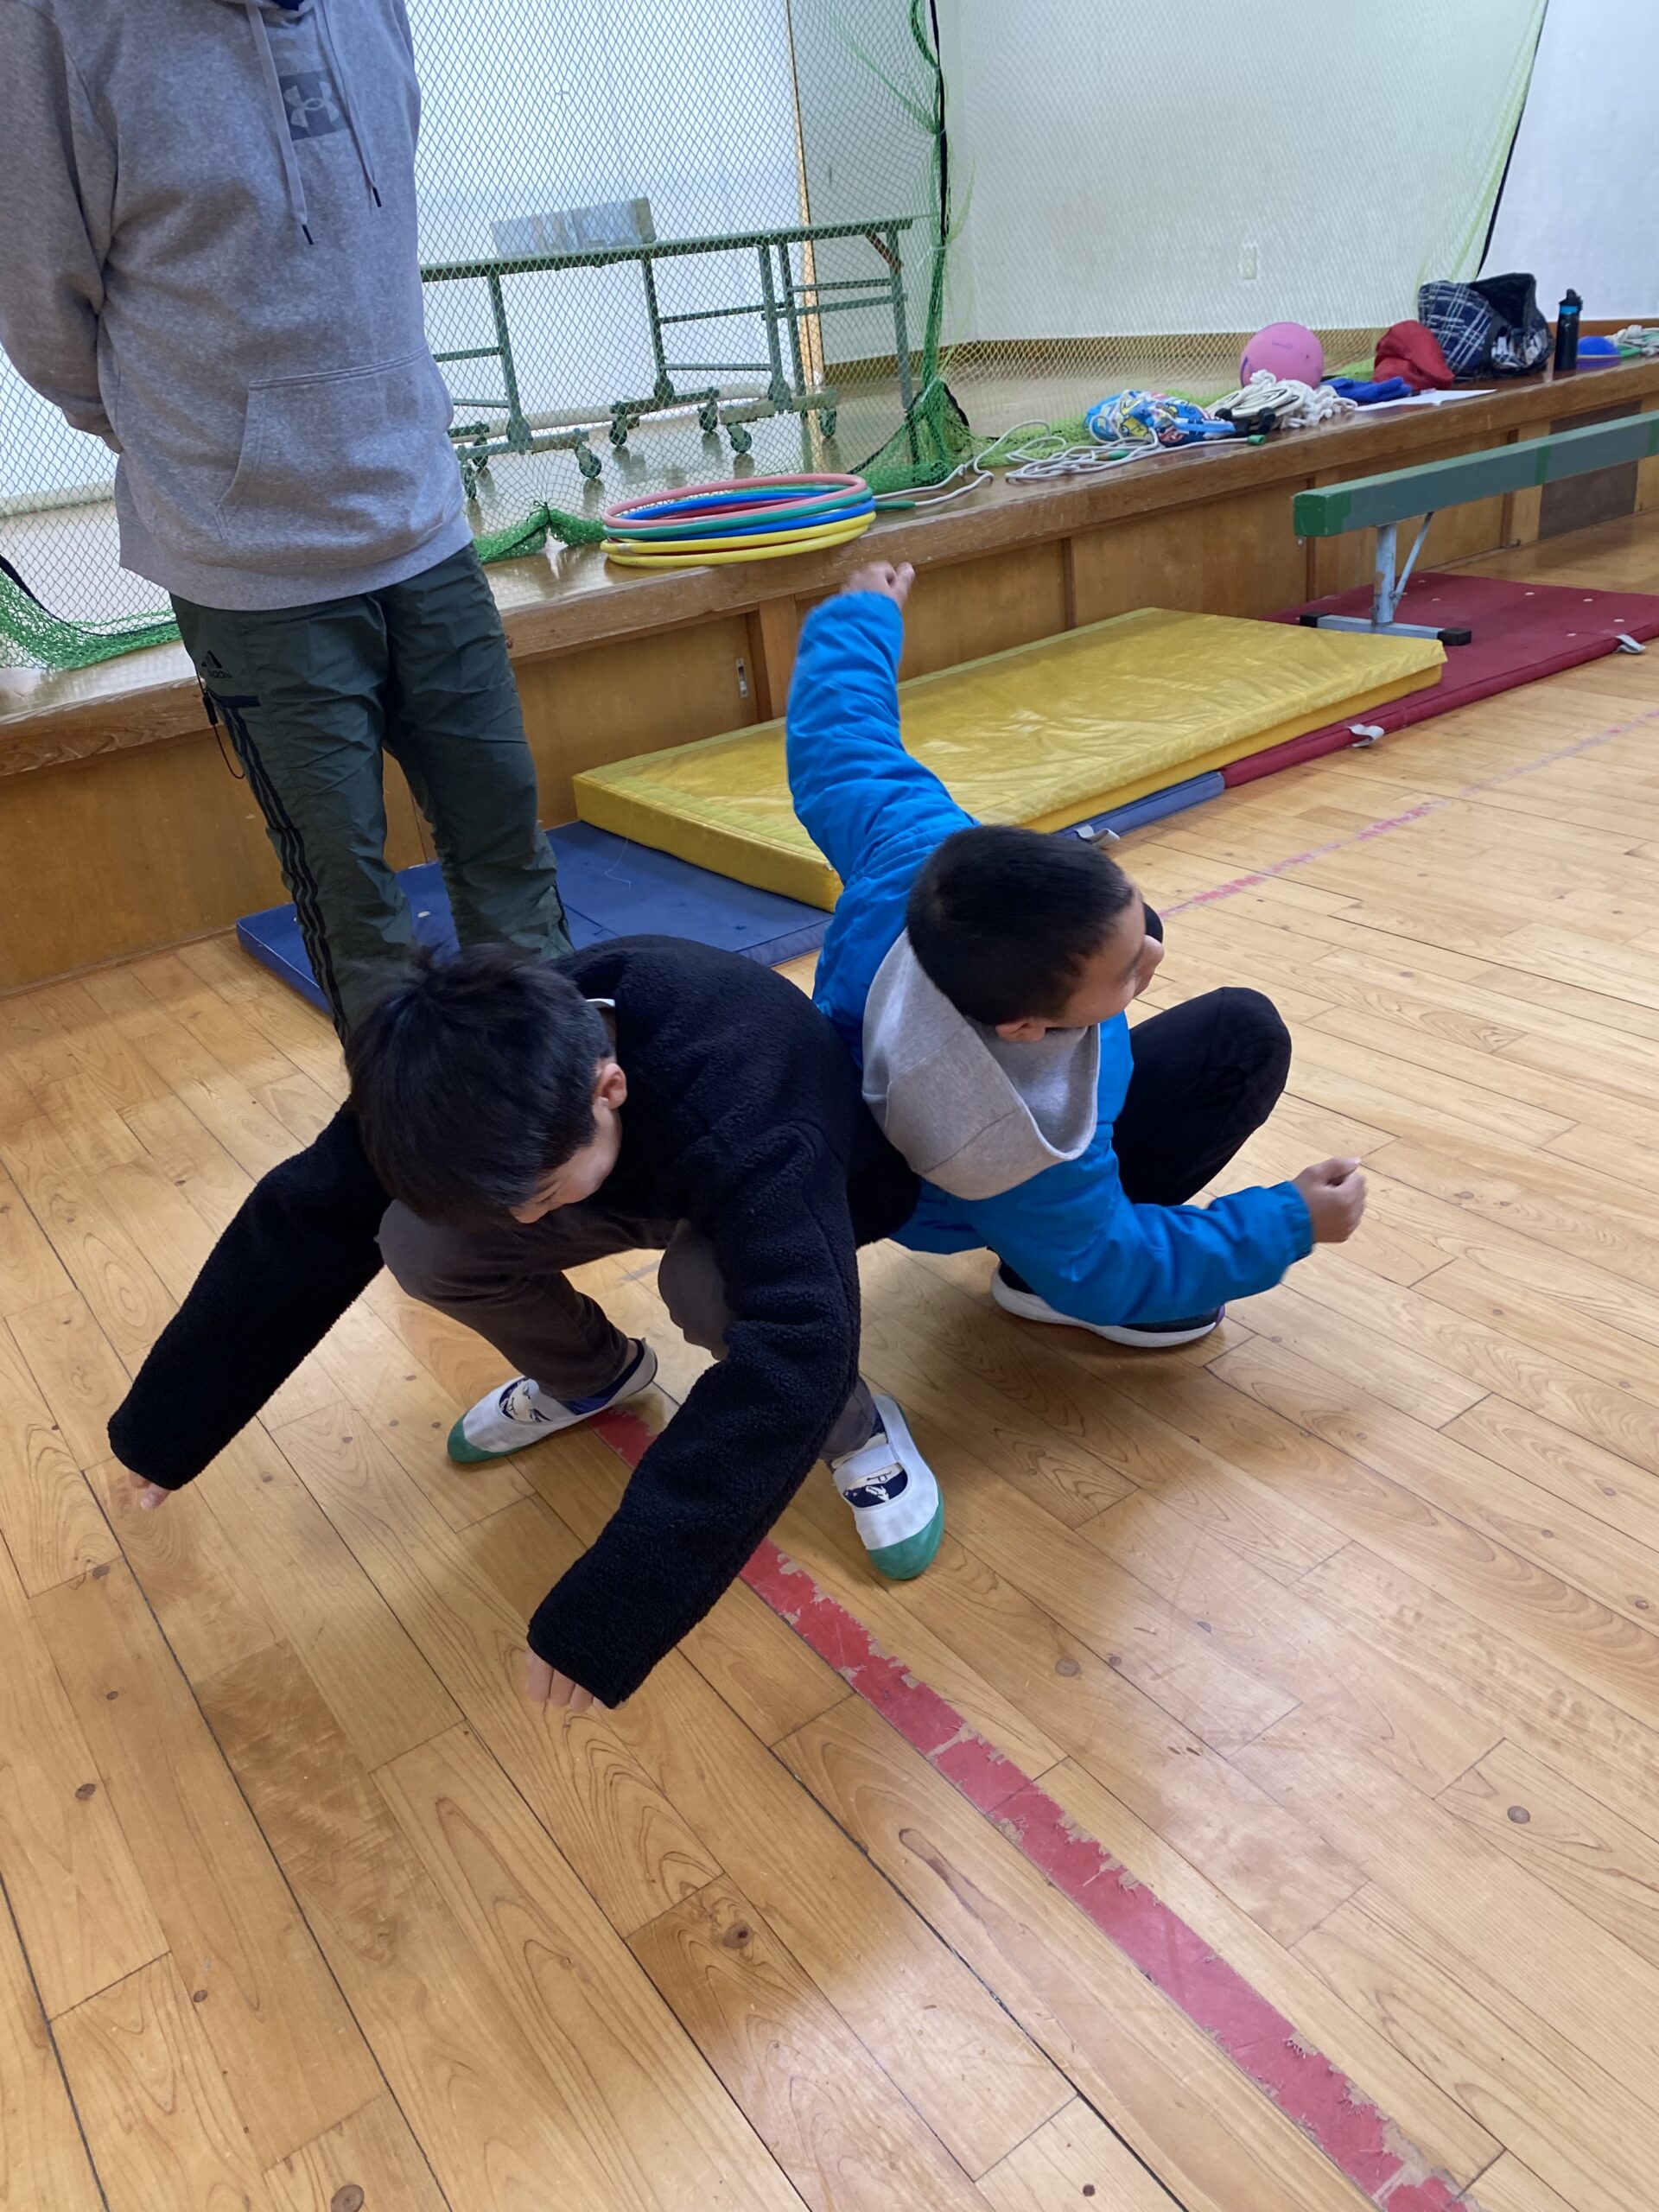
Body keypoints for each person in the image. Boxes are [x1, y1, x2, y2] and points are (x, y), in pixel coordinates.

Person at [107, 935, 944, 1713]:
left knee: (708, 1286)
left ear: (608, 1088)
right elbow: (305, 1214)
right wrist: (170, 1425)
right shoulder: (453, 1073)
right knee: (422, 1240)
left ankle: (857, 1429)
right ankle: (593, 1374)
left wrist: (609, 1613)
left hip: (795, 1183)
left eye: (534, 1196)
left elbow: (799, 1345)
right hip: (620, 1166)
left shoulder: (749, 1107)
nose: (518, 1221)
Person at [0, 0, 568, 1037]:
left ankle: (565, 1109)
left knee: (508, 850)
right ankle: (412, 1133)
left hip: (421, 516)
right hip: (252, 563)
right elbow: (42, 305)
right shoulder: (59, 23)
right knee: (354, 905)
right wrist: (198, 443)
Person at [785, 558, 1366, 1339]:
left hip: (915, 1107)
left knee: (1133, 932)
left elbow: (841, 745)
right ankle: (1034, 1277)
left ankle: (1100, 967)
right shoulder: (1019, 1132)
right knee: (1244, 1039)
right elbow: (1107, 1263)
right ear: (1027, 1028)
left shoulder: (921, 855)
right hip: (965, 1189)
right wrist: (1292, 1219)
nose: (1152, 958)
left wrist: (863, 618)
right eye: (1127, 974)